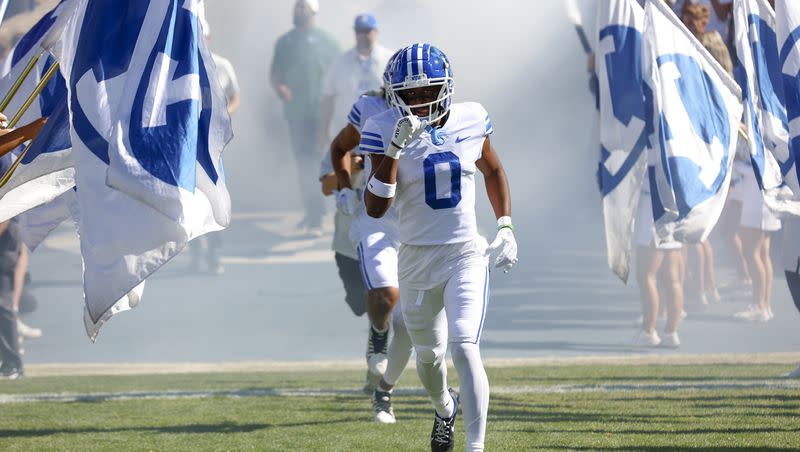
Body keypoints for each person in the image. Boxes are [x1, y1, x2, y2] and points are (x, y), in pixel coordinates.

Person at [362, 43, 517, 452]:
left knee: (464, 345)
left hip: (464, 252)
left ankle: (475, 447)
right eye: (408, 94)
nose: (417, 100)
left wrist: (505, 225)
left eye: (426, 91)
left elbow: (494, 169)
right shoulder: (381, 126)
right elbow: (376, 208)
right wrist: (394, 149)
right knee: (429, 361)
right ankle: (444, 408)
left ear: (445, 88)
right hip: (414, 258)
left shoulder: (470, 118)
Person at [330, 51, 414, 424]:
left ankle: (398, 387)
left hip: (419, 218)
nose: (419, 97)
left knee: (412, 324)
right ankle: (377, 336)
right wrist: (346, 187)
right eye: (410, 89)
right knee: (385, 296)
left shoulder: (444, 116)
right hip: (378, 215)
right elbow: (339, 148)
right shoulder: (368, 107)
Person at [270, 0, 340, 234]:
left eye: (303, 6)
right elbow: (275, 73)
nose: (298, 10)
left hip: (319, 114)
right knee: (303, 163)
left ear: (313, 11)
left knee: (316, 162)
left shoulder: (327, 40)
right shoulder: (284, 42)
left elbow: (341, 70)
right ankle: (313, 212)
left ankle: (317, 216)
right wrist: (279, 87)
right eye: (296, 6)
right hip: (295, 114)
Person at [189, 28, 241, 275]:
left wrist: (225, 113)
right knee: (191, 198)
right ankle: (196, 254)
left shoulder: (222, 65)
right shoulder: (181, 65)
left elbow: (235, 96)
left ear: (208, 37)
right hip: (189, 145)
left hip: (215, 144)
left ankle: (214, 254)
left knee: (215, 197)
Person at [320, 13, 393, 148]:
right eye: (359, 31)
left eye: (367, 31)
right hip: (347, 136)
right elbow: (327, 98)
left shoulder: (390, 60)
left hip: (382, 137)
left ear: (376, 32)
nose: (363, 36)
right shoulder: (340, 62)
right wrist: (323, 132)